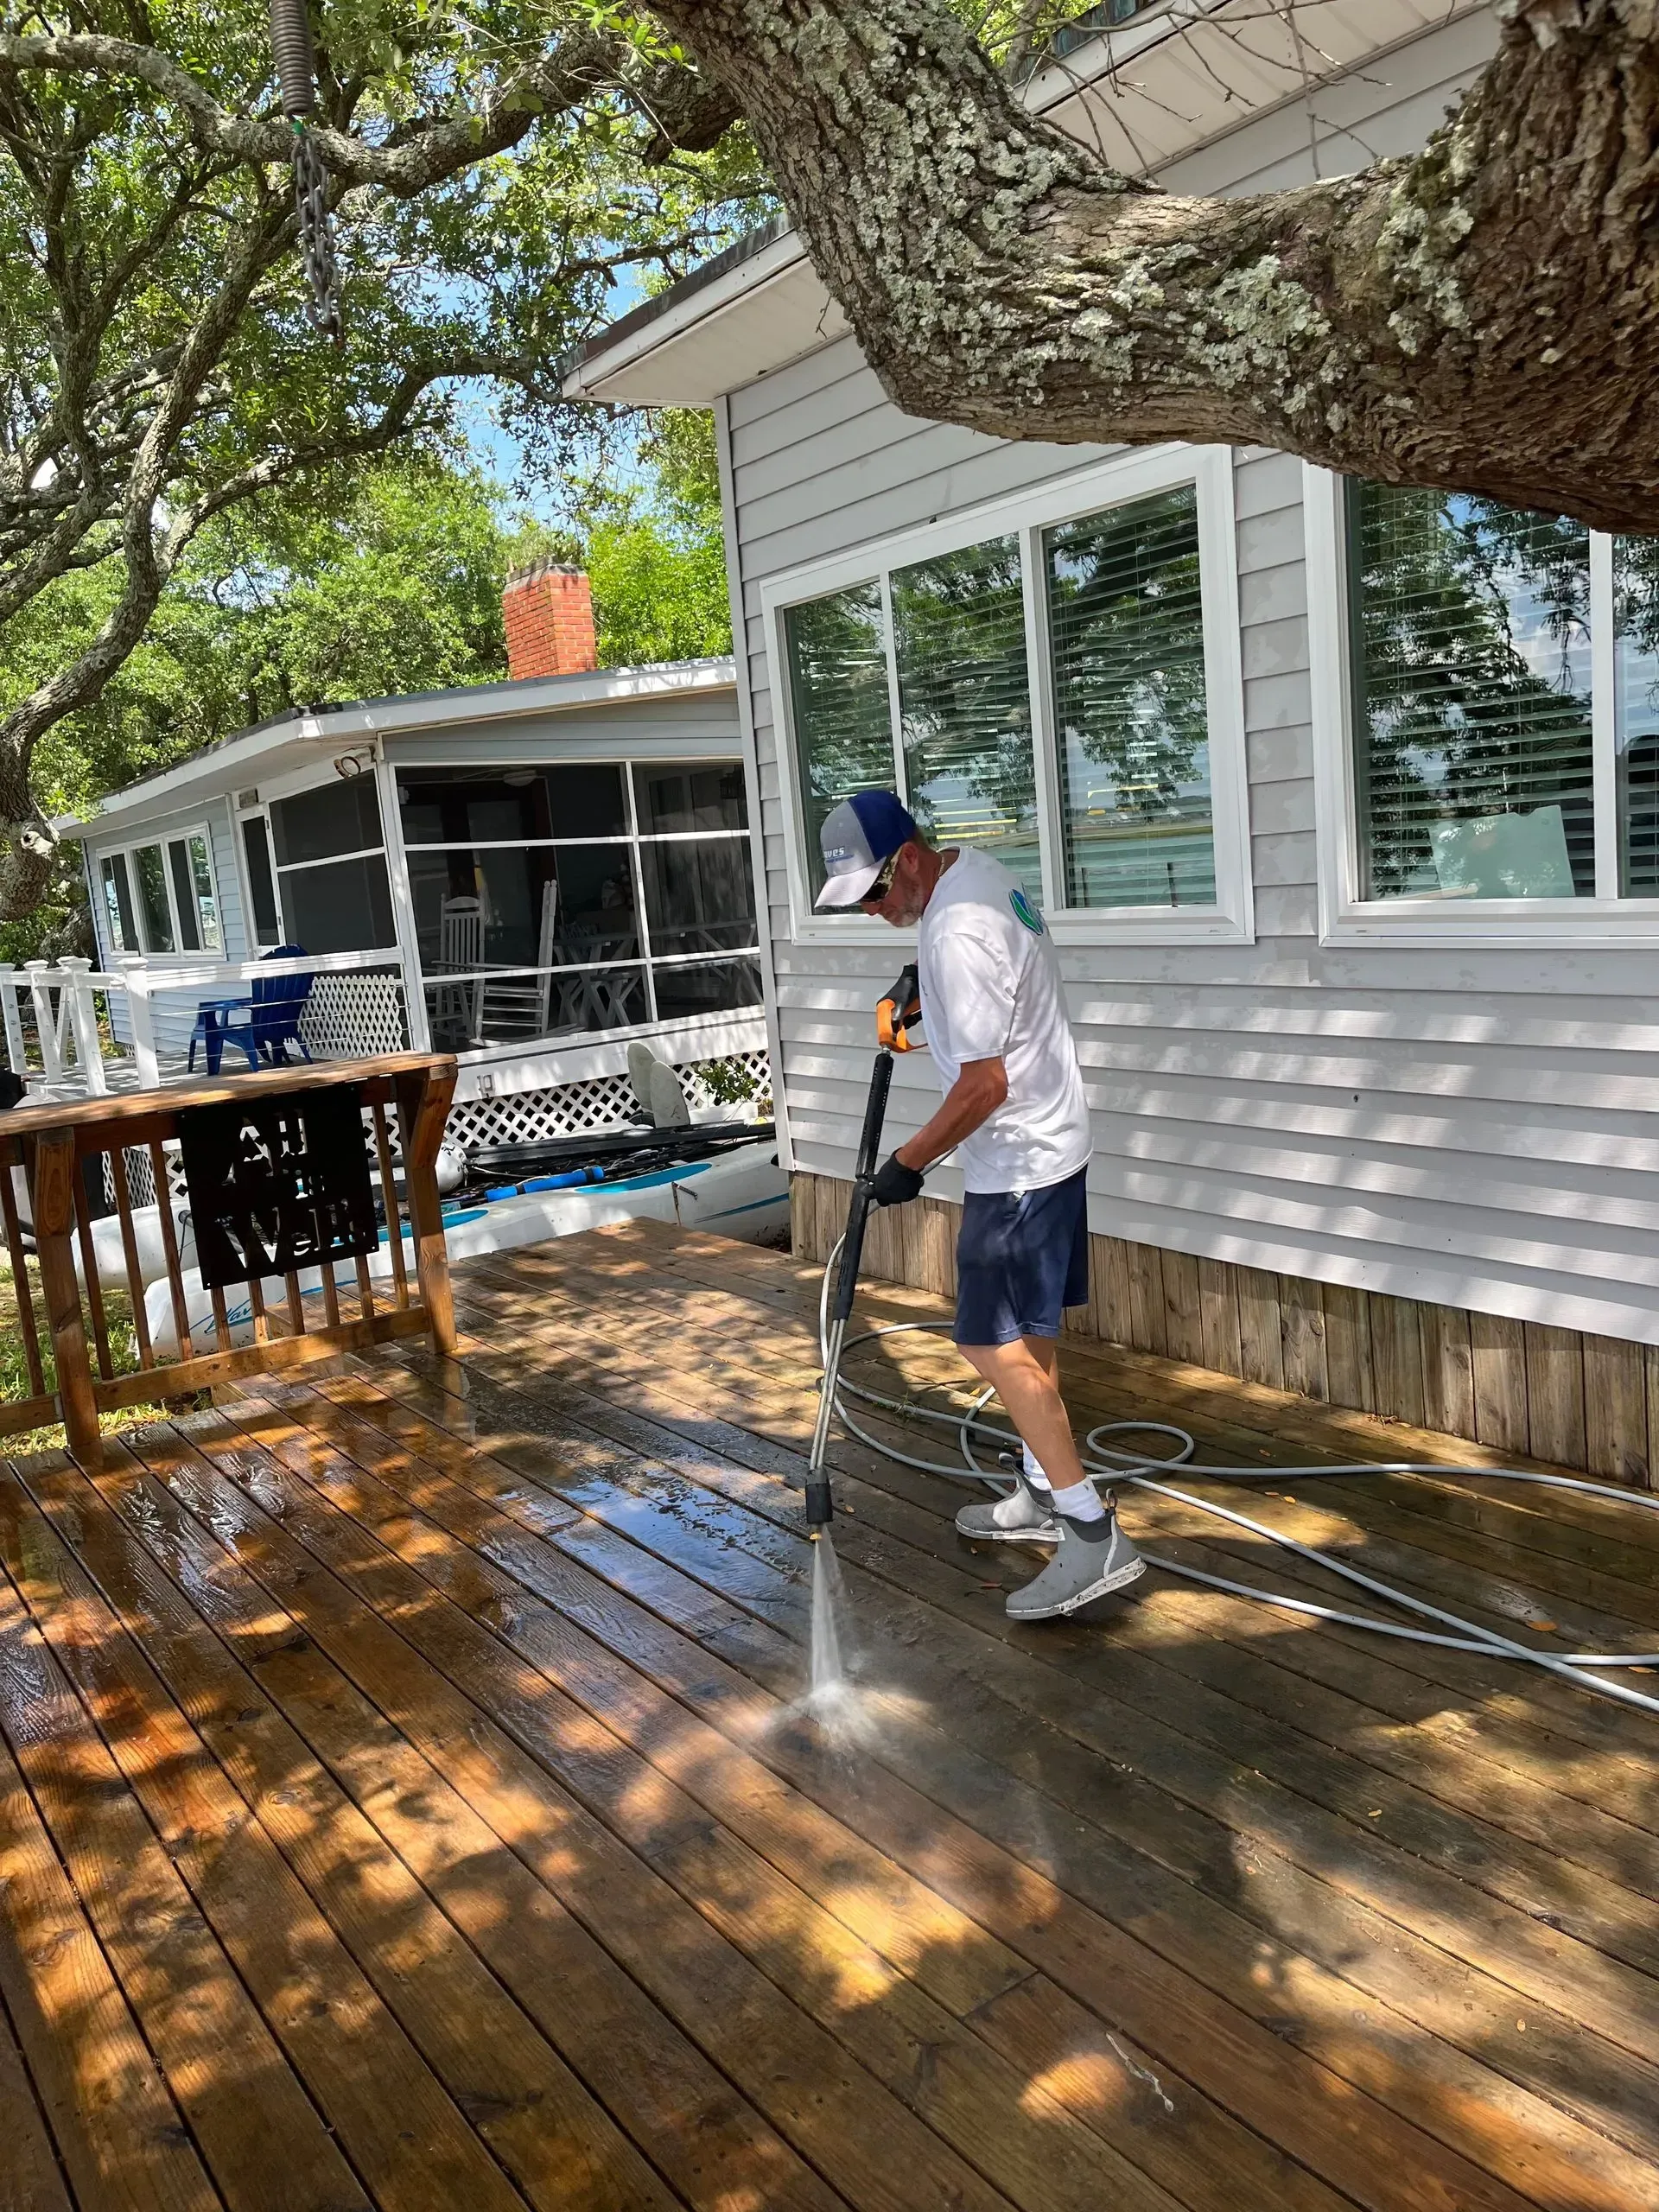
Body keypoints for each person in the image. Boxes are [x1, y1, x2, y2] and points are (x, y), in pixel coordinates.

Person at [815, 790, 1146, 1620]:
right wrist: (918, 995)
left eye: (875, 895)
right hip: (1055, 1141)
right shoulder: (979, 879)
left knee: (985, 1341)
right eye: (857, 903)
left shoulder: (954, 930)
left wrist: (906, 1164)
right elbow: (1001, 999)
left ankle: (1091, 1532)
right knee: (1028, 1337)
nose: (871, 912)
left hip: (1020, 1164)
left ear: (911, 860)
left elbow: (984, 1082)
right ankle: (1040, 1489)